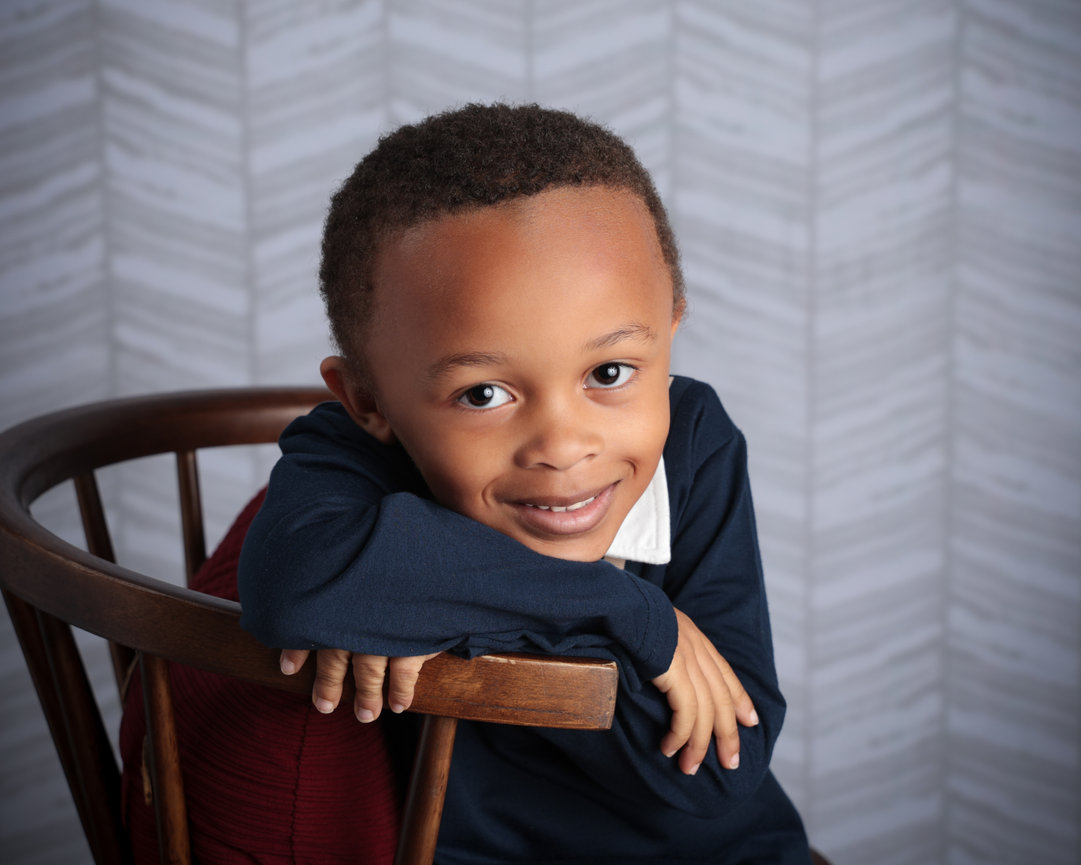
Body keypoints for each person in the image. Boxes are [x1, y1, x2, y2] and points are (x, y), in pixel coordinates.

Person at [238, 102, 811, 864]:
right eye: (483, 394)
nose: (562, 445)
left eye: (609, 373)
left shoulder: (694, 441)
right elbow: (299, 586)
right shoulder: (353, 451)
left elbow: (715, 767)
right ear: (369, 400)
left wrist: (447, 601)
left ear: (671, 329)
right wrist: (625, 613)